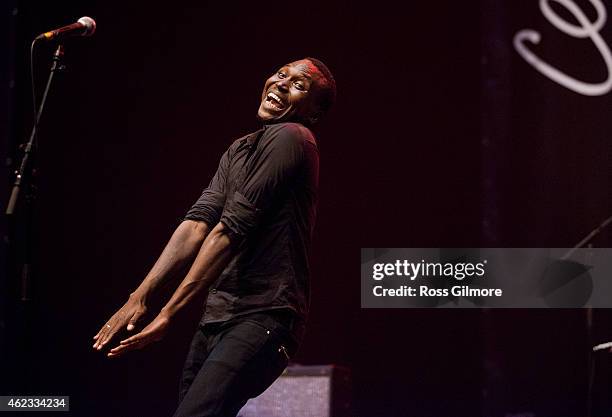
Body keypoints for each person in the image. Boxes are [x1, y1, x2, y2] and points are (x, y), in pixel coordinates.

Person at [92, 57, 336, 417]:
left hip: (264, 316)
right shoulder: (240, 149)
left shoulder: (294, 137)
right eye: (282, 74)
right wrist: (139, 296)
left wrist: (169, 312)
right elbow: (197, 223)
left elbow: (230, 229)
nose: (282, 83)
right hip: (219, 317)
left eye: (300, 85)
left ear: (313, 113)